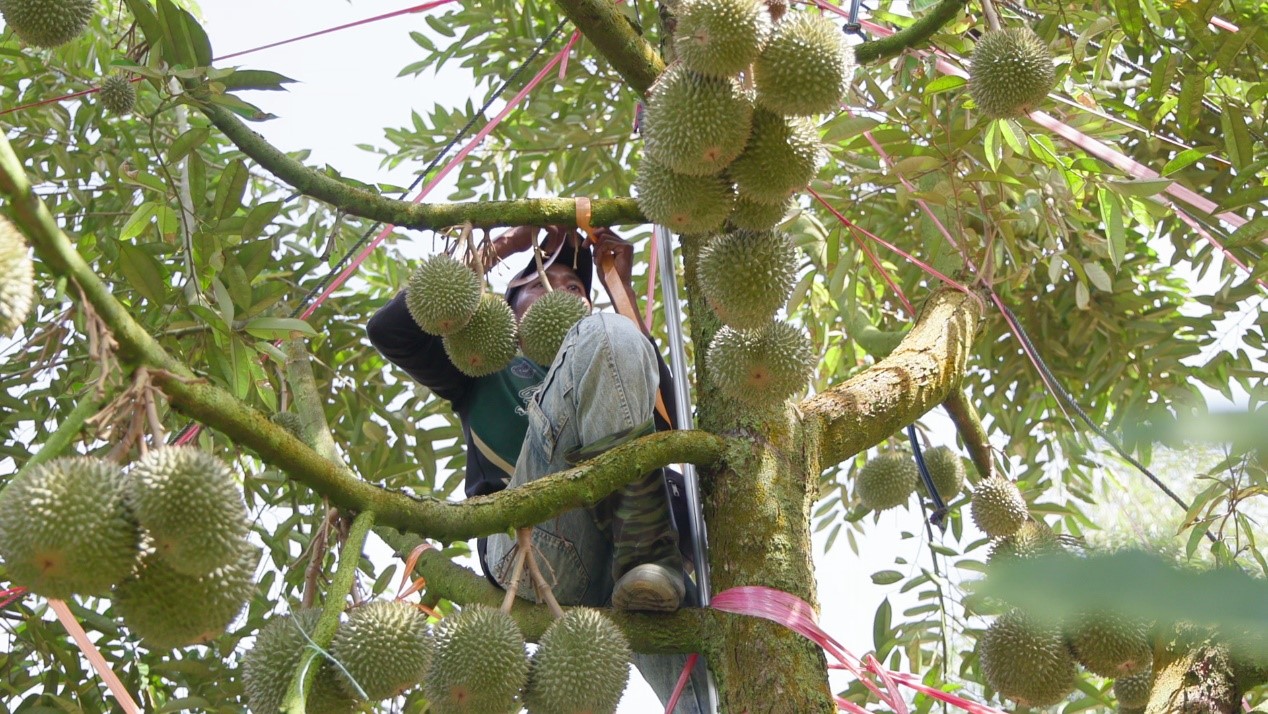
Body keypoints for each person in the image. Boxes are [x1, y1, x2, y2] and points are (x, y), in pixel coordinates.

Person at [367, 224, 708, 712]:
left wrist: (623, 288)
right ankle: (645, 552)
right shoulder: (481, 367)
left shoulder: (604, 352)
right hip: (532, 544)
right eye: (547, 281)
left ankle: (644, 555)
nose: (568, 290)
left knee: (715, 691)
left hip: (636, 574)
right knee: (609, 333)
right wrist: (507, 244)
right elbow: (389, 330)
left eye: (577, 287)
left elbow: (667, 417)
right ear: (508, 308)